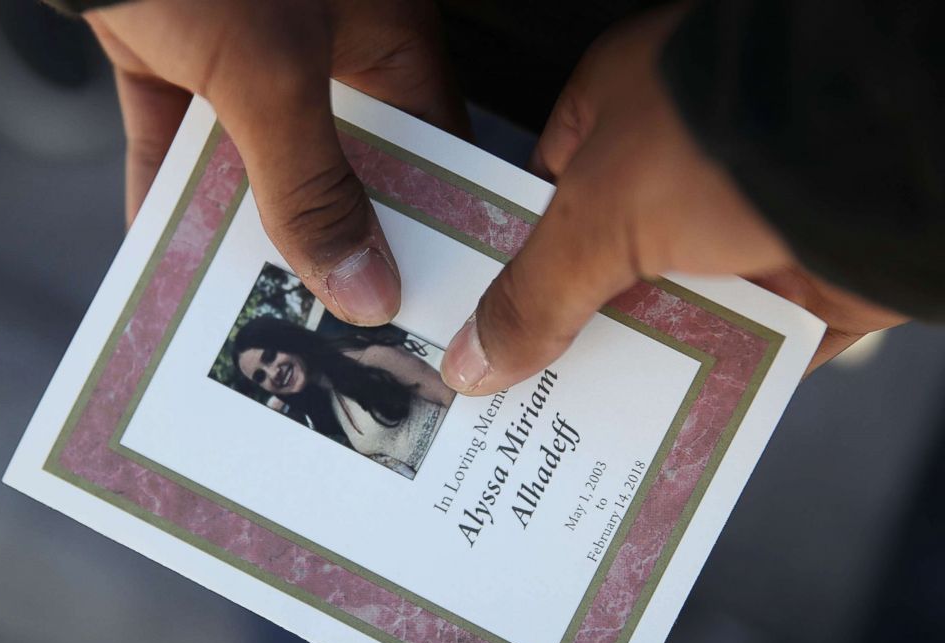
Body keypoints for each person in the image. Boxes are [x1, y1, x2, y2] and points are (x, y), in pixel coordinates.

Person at [47, 0, 942, 396]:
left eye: (266, 362)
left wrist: (848, 140)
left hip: (666, 135)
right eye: (270, 383)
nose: (278, 372)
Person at [232, 316, 455, 478]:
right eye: (260, 376)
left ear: (287, 341)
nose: (273, 373)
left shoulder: (361, 356)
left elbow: (447, 394)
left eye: (270, 356)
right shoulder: (329, 403)